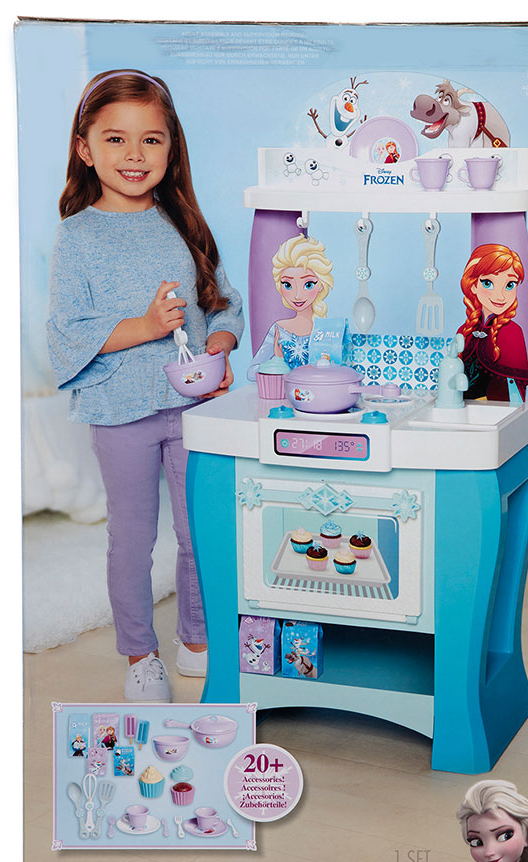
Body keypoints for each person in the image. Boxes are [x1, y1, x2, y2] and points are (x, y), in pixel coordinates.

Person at [47, 69, 244, 702]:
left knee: (200, 531)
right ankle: (140, 654)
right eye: (116, 139)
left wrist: (220, 345)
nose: (134, 155)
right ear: (85, 148)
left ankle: (197, 638)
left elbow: (222, 301)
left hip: (192, 407)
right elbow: (67, 334)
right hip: (119, 411)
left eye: (151, 139)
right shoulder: (77, 236)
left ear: (170, 147)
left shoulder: (183, 222)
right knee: (132, 539)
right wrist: (146, 326)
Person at [246, 235, 333, 378]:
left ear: (321, 285)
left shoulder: (329, 331)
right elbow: (251, 372)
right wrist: (277, 363)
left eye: (308, 284)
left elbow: (337, 372)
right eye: (287, 285)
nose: (297, 295)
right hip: (285, 392)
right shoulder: (279, 330)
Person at [456, 244, 528, 402]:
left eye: (510, 285)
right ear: (473, 285)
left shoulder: (512, 332)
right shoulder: (464, 330)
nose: (500, 296)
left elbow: (516, 392)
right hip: (461, 410)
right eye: (488, 283)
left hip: (497, 411)